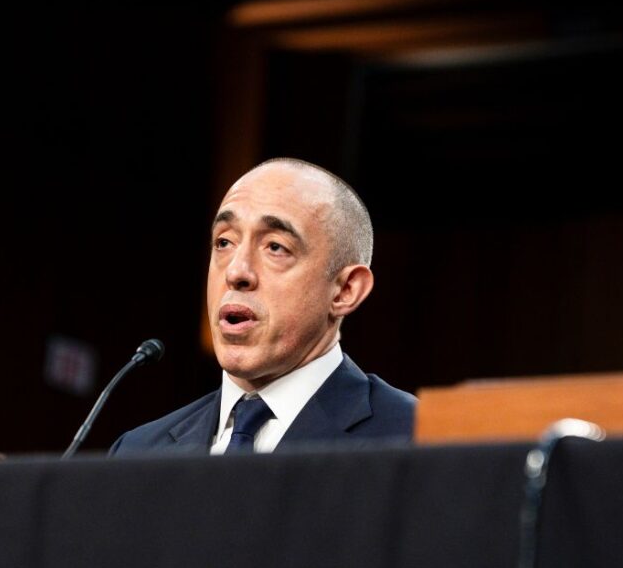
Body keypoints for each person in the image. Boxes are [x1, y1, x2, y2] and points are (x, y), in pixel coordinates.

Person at [109, 157, 417, 456]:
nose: (236, 272)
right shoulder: (138, 452)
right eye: (224, 242)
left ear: (345, 290)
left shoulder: (415, 438)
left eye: (275, 247)